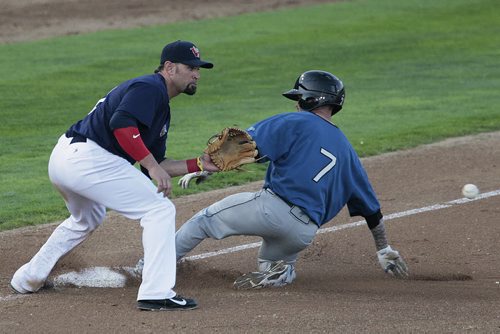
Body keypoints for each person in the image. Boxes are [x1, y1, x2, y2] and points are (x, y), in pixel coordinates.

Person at [10, 40, 219, 311]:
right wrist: (153, 168)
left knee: (88, 217)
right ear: (169, 67)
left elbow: (155, 163)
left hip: (68, 159)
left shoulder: (160, 106)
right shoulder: (150, 87)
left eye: (198, 69)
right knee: (159, 210)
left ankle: (29, 277)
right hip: (88, 159)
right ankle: (156, 292)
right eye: (190, 67)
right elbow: (121, 124)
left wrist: (199, 164)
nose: (197, 74)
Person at [172, 70, 409, 289]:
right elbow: (371, 209)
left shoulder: (296, 121)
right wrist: (383, 247)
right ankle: (283, 273)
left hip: (272, 211)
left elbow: (248, 146)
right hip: (302, 233)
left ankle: (149, 269)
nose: (296, 103)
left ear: (311, 99)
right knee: (269, 263)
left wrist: (208, 165)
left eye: (299, 97)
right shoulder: (348, 153)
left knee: (203, 221)